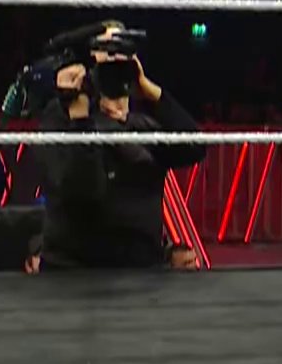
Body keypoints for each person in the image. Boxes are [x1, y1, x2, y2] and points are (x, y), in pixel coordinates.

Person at [34, 22, 205, 270]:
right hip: (78, 271)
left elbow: (195, 147)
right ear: (90, 63)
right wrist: (80, 116)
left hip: (142, 269)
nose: (115, 60)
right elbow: (83, 190)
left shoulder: (144, 124)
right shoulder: (62, 117)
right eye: (108, 52)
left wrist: (150, 90)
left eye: (122, 52)